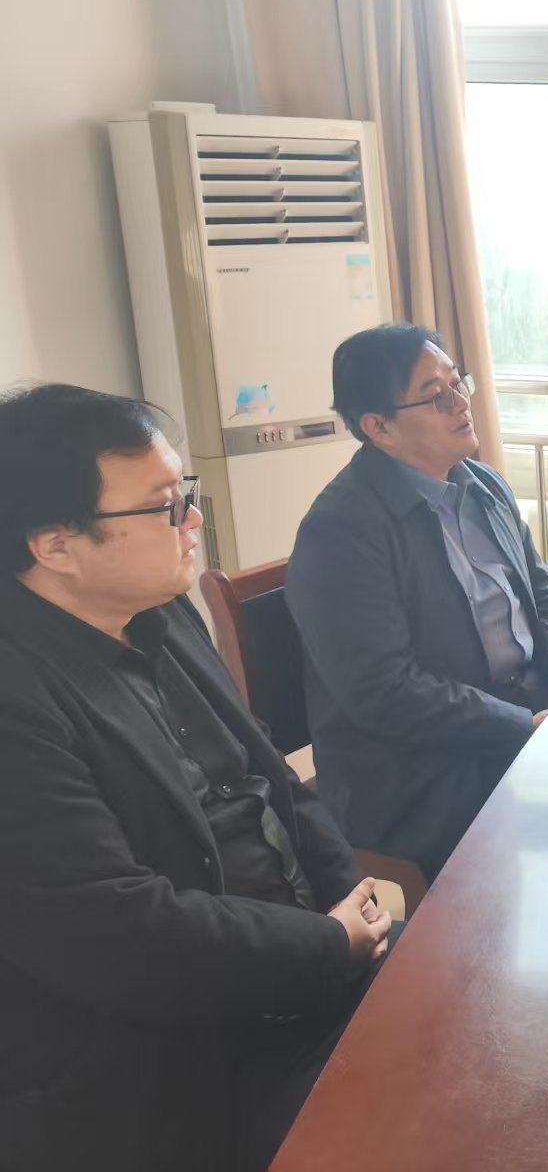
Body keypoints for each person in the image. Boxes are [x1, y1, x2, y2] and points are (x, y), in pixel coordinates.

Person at [0, 384, 394, 1172]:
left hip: (303, 962)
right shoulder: (19, 697)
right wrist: (329, 943)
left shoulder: (163, 611)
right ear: (55, 544)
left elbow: (270, 775)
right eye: (164, 505)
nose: (193, 520)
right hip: (176, 1052)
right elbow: (121, 931)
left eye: (186, 491)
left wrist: (352, 901)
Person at [288, 325, 548, 880]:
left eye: (458, 383)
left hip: (515, 718)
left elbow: (545, 600)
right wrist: (524, 726)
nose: (461, 403)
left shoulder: (484, 485)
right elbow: (385, 691)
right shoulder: (341, 531)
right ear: (378, 427)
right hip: (417, 768)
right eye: (435, 396)